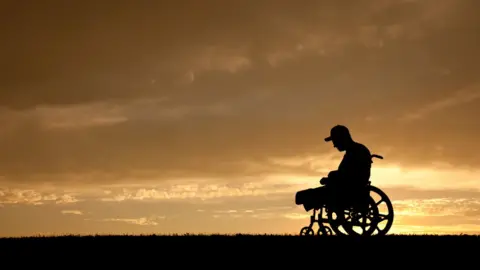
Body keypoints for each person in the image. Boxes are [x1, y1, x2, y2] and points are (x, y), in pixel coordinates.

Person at [295, 125, 373, 212]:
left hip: (347, 190)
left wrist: (330, 178)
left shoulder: (355, 151)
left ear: (341, 139)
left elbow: (350, 175)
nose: (334, 145)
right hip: (348, 187)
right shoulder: (357, 149)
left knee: (302, 196)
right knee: (304, 196)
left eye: (335, 141)